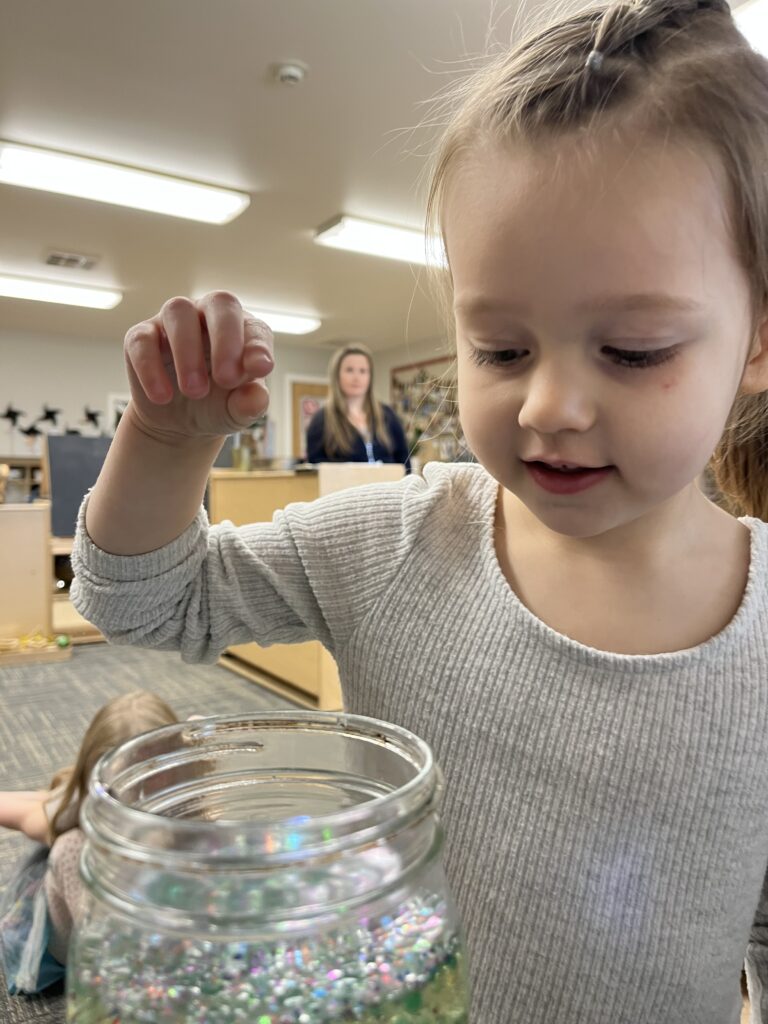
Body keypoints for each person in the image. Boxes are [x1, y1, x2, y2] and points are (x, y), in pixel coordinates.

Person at [69, 1, 768, 1020]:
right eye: (501, 349)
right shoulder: (395, 541)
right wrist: (167, 441)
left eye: (632, 351)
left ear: (756, 341)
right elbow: (144, 599)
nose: (548, 406)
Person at [0, 690, 178, 991]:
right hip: (62, 929)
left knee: (52, 802)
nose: (141, 803)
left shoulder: (183, 792)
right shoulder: (74, 844)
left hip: (86, 800)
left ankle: (62, 788)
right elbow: (104, 947)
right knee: (42, 817)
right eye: (130, 790)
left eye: (155, 784)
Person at [305, 343, 411, 469]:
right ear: (337, 375)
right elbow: (316, 469)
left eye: (363, 371)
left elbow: (404, 463)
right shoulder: (322, 420)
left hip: (390, 482)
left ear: (370, 376)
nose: (357, 378)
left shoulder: (387, 415)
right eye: (349, 370)